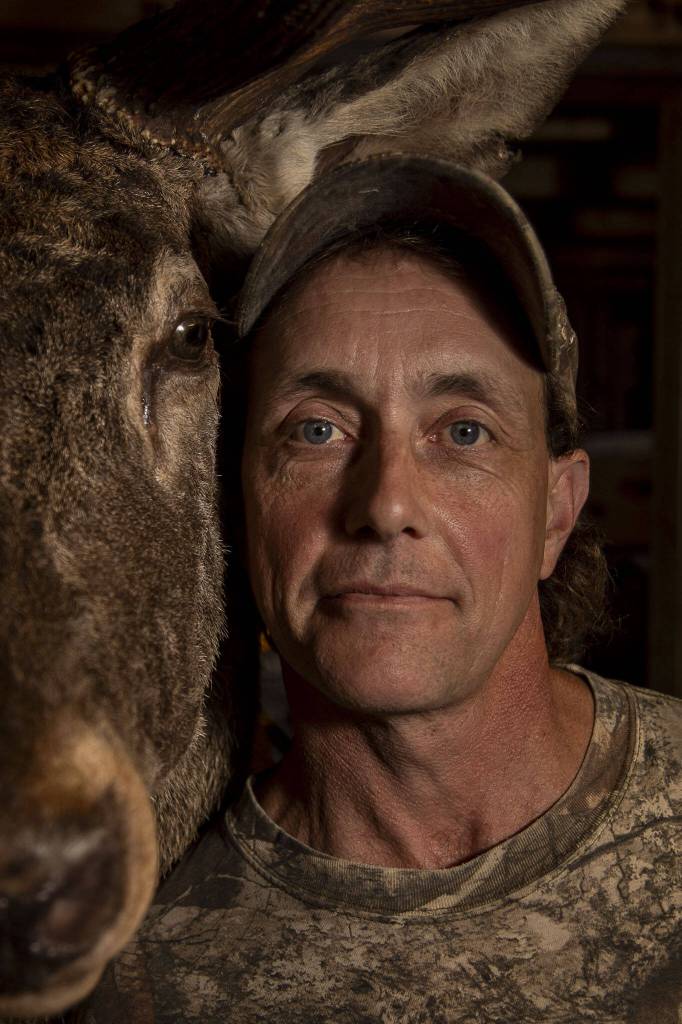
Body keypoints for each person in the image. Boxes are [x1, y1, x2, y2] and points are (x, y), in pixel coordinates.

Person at [85, 156, 681, 1023]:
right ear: (233, 505)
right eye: (317, 430)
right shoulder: (142, 971)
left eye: (463, 431)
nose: (387, 503)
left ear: (556, 513)